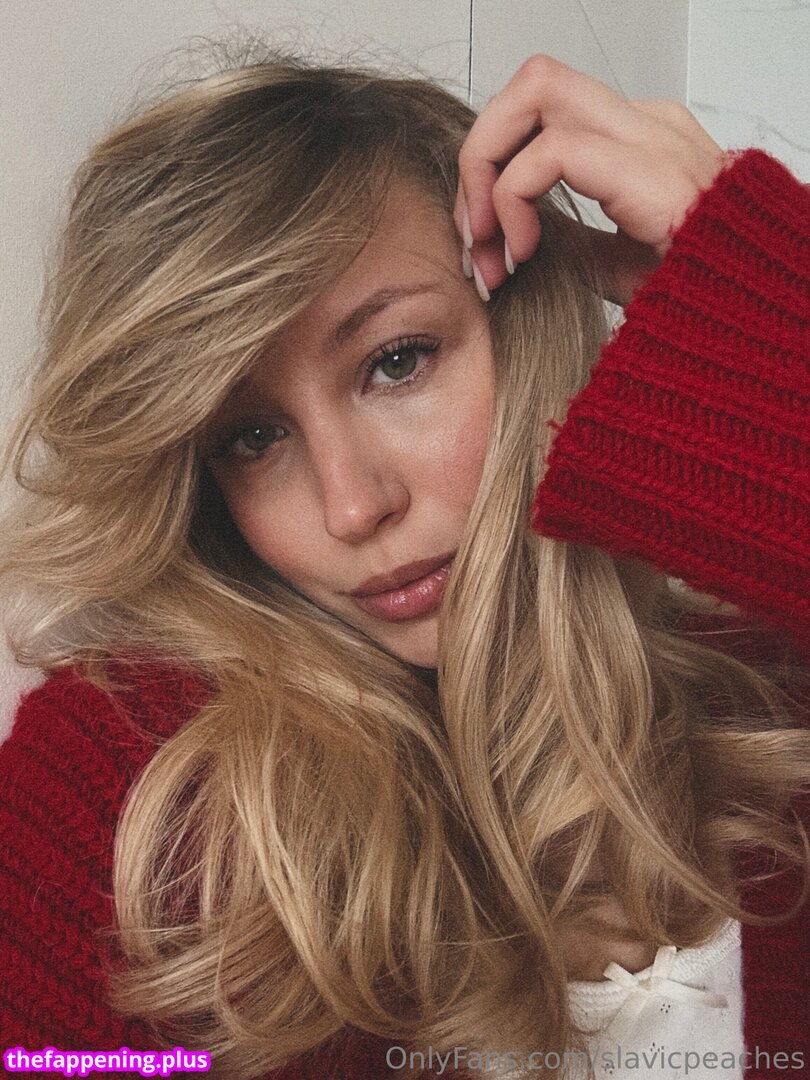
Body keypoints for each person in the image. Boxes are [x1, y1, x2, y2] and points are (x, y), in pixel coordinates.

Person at [0, 46, 808, 1080]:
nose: (352, 506)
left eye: (396, 360)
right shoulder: (123, 806)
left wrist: (776, 325)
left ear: (520, 329)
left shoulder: (779, 688)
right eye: (252, 437)